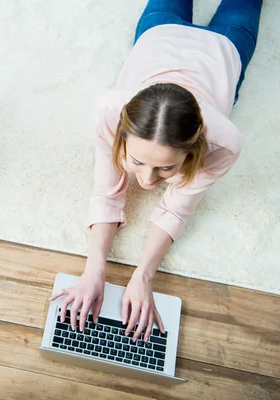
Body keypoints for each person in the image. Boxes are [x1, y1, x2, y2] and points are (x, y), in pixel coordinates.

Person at [51, 0, 262, 342]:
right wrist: (94, 269)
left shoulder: (224, 143)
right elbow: (108, 191)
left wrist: (145, 275)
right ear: (122, 135)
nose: (147, 182)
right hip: (160, 33)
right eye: (136, 162)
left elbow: (176, 207)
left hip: (227, 45)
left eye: (165, 168)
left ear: (191, 151)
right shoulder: (108, 110)